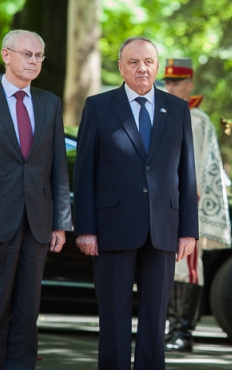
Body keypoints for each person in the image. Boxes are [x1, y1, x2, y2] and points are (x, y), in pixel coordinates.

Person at [73, 37, 199, 370]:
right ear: (120, 67)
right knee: (113, 317)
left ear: (157, 66)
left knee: (156, 320)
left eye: (148, 61)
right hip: (112, 228)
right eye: (133, 62)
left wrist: (189, 230)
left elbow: (187, 174)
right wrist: (85, 229)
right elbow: (83, 173)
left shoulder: (177, 109)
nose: (142, 68)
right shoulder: (98, 107)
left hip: (163, 229)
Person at [0, 29, 72, 369]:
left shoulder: (50, 104)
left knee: (27, 315)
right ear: (7, 55)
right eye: (27, 54)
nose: (33, 61)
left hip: (37, 224)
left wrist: (61, 223)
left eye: (38, 56)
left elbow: (58, 169)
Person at [162, 57, 232, 353]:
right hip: (165, 202)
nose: (170, 87)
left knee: (188, 267)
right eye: (167, 82)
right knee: (169, 268)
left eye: (176, 82)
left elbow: (202, 166)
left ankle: (184, 331)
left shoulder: (197, 119)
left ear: (189, 85)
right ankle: (171, 327)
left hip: (188, 203)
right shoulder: (163, 113)